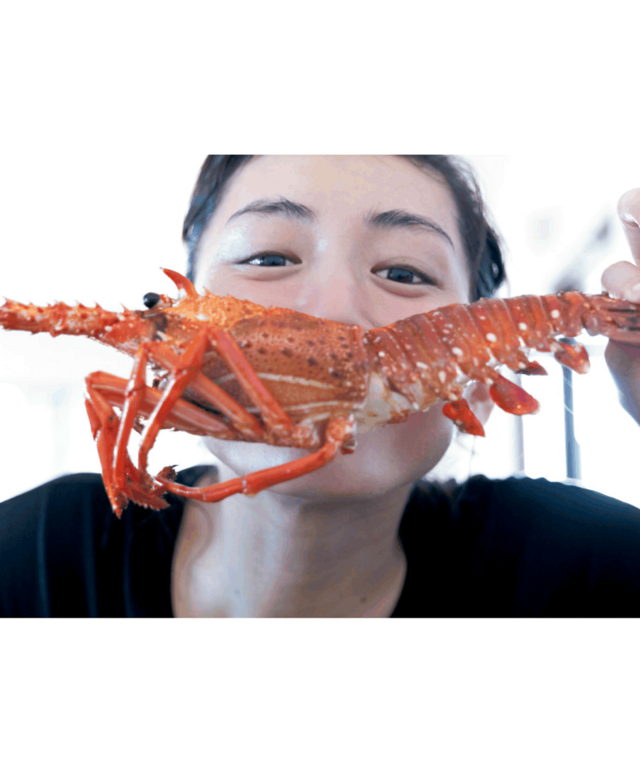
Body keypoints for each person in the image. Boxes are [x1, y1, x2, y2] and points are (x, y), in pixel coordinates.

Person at [1, 155, 640, 617]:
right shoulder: (31, 551)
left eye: (404, 272)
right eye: (268, 259)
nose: (335, 307)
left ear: (476, 386)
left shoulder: (589, 563)